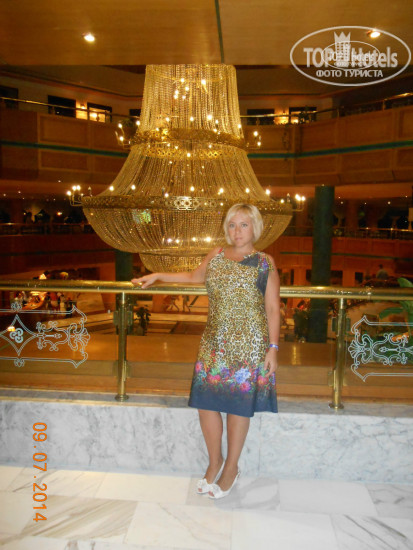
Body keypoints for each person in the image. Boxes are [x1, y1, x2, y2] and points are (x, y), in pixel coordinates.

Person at [132, 203, 280, 499]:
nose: (237, 231)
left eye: (243, 225)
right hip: (215, 341)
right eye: (232, 225)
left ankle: (231, 468)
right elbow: (192, 277)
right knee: (206, 404)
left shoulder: (265, 262)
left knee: (238, 406)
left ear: (255, 228)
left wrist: (273, 348)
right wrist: (158, 275)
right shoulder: (216, 254)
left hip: (249, 344)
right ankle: (215, 462)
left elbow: (273, 308)